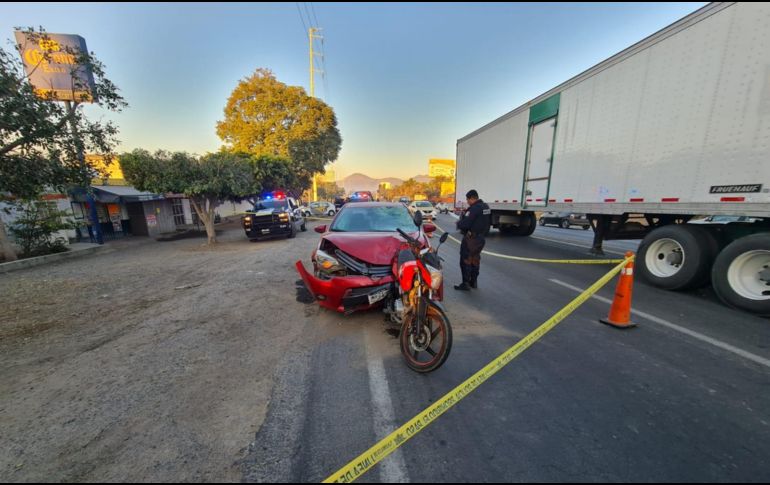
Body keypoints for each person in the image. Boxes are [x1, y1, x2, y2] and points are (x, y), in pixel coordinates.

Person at [454, 189, 491, 291]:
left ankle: (465, 284)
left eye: (467, 199)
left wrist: (458, 223)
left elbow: (466, 224)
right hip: (481, 238)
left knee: (466, 260)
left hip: (471, 239)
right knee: (475, 260)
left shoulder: (473, 209)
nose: (467, 202)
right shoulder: (486, 207)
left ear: (472, 198)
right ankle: (473, 282)